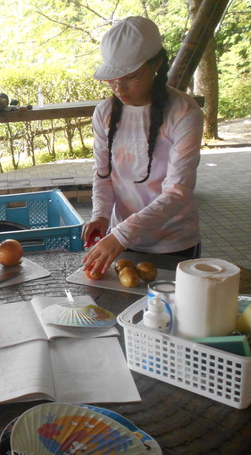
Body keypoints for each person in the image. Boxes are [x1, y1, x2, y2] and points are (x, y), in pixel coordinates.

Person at [81, 16, 204, 276]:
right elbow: (103, 175)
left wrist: (121, 234)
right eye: (112, 79)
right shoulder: (105, 113)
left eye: (131, 76)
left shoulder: (183, 111)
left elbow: (178, 191)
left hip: (173, 241)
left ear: (157, 64)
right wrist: (101, 215)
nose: (118, 87)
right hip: (122, 240)